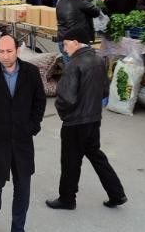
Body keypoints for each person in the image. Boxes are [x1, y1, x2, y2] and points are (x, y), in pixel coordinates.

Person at [46, 26, 127, 211]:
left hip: (75, 121)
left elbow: (65, 98)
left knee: (70, 161)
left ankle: (67, 199)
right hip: (93, 118)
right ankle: (117, 193)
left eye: (66, 45)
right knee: (96, 156)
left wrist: (65, 115)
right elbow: (105, 90)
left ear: (75, 43)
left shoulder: (74, 64)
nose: (65, 49)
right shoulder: (98, 60)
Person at [0, 35, 46, 232]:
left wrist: (32, 126)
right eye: (1, 52)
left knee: (22, 189)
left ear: (17, 51)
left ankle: (18, 227)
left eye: (9, 51)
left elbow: (40, 101)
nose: (5, 56)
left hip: (23, 141)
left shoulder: (31, 72)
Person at [56, 0, 101, 65]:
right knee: (83, 69)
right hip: (77, 41)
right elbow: (96, 11)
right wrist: (99, 3)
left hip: (62, 38)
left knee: (70, 69)